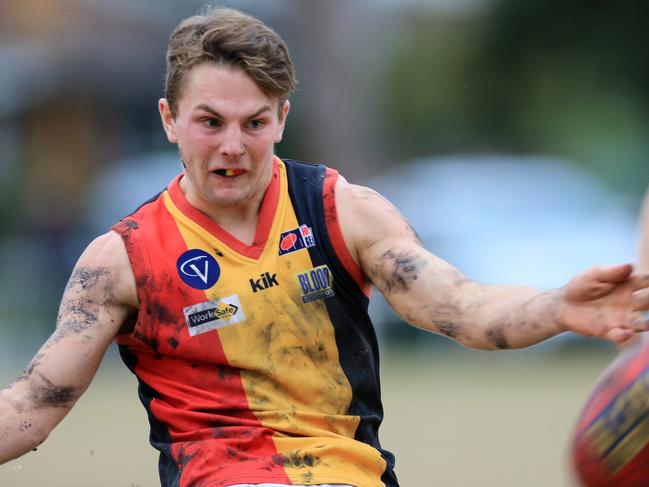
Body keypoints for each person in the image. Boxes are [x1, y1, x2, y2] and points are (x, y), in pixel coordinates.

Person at [1, 6, 648, 487]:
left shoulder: (342, 213)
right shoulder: (122, 261)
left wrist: (560, 303)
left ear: (282, 118)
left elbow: (460, 304)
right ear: (170, 119)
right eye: (209, 122)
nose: (232, 145)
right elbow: (31, 408)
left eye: (255, 123)